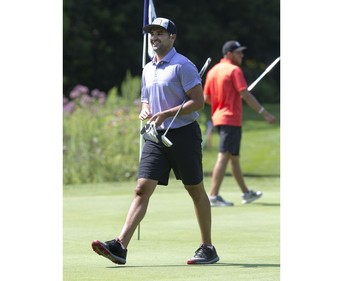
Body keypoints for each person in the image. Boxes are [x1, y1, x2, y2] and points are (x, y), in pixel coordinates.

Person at [91, 17, 219, 265]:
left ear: (173, 38)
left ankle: (208, 247)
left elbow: (198, 102)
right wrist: (146, 110)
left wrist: (167, 113)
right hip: (156, 136)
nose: (155, 37)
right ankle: (120, 246)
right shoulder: (147, 69)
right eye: (152, 33)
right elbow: (146, 98)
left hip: (183, 134)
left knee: (195, 190)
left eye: (161, 33)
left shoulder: (183, 66)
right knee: (141, 189)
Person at [203, 40, 276, 207]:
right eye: (238, 52)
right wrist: (264, 113)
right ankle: (213, 196)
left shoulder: (213, 71)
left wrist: (222, 102)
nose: (242, 55)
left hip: (219, 118)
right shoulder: (234, 70)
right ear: (229, 54)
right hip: (230, 119)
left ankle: (246, 193)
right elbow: (246, 95)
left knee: (233, 159)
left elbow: (207, 98)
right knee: (224, 156)